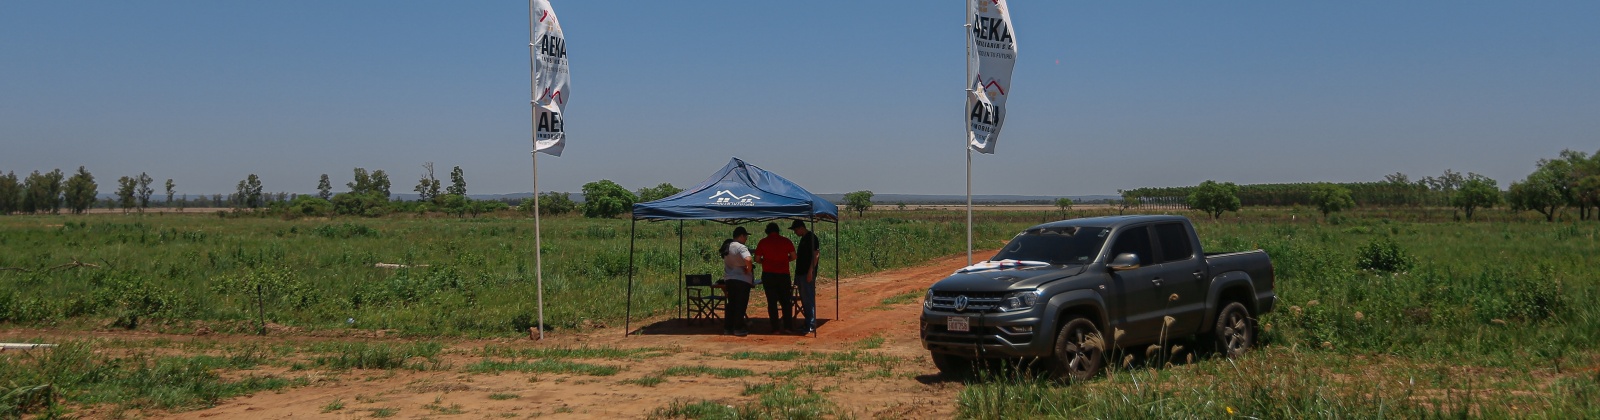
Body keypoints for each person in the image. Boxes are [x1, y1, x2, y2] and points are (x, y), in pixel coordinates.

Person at [753, 222, 795, 334]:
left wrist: (765, 261)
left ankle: (775, 328)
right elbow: (794, 256)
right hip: (783, 274)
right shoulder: (786, 241)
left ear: (767, 231)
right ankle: (788, 327)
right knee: (786, 302)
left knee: (772, 303)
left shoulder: (763, 242)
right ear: (778, 230)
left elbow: (757, 259)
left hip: (769, 275)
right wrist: (785, 260)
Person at [720, 226, 754, 337]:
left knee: (731, 304)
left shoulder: (727, 246)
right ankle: (738, 328)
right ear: (741, 236)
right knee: (740, 304)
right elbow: (748, 259)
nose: (746, 239)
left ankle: (728, 327)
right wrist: (748, 269)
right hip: (742, 280)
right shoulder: (741, 247)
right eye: (746, 236)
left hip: (729, 279)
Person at [790, 220, 822, 333]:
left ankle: (811, 324)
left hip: (806, 274)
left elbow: (816, 255)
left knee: (808, 299)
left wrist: (810, 272)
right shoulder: (804, 238)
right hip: (801, 273)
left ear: (801, 228)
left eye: (795, 230)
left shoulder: (811, 238)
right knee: (804, 299)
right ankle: (808, 322)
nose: (795, 232)